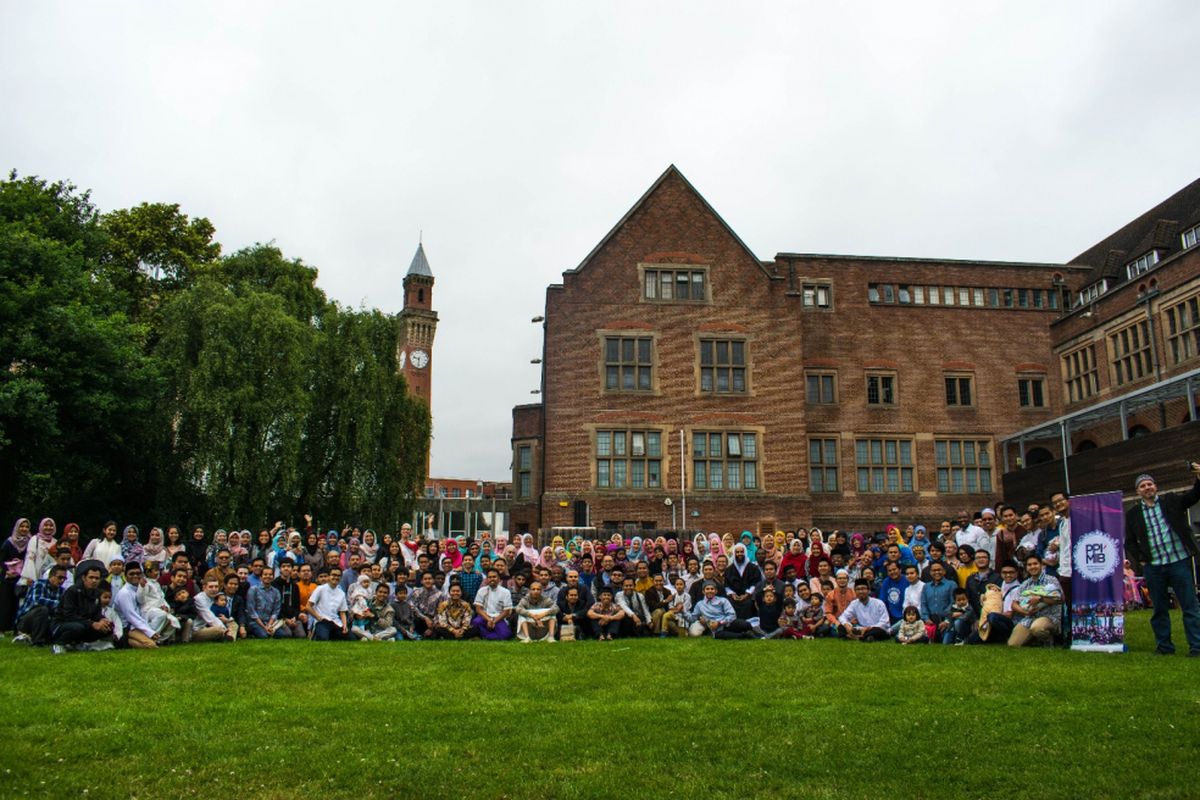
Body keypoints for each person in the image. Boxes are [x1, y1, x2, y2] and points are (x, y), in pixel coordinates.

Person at [1124, 466, 1200, 656]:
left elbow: (1194, 496)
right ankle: (1164, 647)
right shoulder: (1133, 514)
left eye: (1149, 484)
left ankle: (1196, 646)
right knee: (1159, 609)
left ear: (1155, 487)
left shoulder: (1172, 501)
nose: (1147, 487)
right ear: (1138, 491)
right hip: (1154, 566)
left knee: (1189, 606)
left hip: (1178, 560)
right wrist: (1141, 560)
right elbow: (1130, 542)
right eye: (1142, 486)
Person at [52, 565, 114, 653]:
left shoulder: (97, 593)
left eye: (97, 578)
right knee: (77, 627)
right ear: (84, 578)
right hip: (62, 624)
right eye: (91, 577)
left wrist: (102, 620)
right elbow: (69, 616)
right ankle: (59, 644)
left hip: (84, 624)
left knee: (108, 626)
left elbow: (96, 614)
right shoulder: (72, 591)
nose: (94, 581)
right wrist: (92, 623)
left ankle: (79, 643)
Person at [1008, 554, 1062, 648]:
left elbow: (1060, 600)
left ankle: (1048, 641)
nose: (1032, 567)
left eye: (1035, 564)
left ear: (1041, 565)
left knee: (1037, 628)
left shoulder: (1051, 580)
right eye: (1029, 565)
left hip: (1049, 617)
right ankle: (1035, 639)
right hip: (1030, 617)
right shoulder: (1025, 584)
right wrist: (1025, 612)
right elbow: (1014, 604)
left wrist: (1041, 599)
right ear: (1026, 567)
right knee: (1013, 644)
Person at [13, 564, 67, 646]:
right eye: (60, 577)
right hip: (25, 621)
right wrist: (58, 604)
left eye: (64, 578)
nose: (62, 580)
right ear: (51, 576)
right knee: (42, 609)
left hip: (44, 621)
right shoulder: (39, 583)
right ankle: (38, 642)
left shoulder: (62, 591)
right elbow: (37, 601)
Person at [687, 580, 754, 639]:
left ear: (716, 591)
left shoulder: (723, 600)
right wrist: (683, 611)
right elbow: (692, 618)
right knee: (720, 635)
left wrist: (719, 623)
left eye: (712, 589)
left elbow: (732, 615)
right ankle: (743, 635)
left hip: (726, 623)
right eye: (707, 589)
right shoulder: (700, 604)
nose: (710, 591)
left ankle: (750, 632)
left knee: (746, 625)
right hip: (716, 630)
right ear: (703, 592)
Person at [307, 568, 350, 641]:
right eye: (333, 575)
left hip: (336, 622)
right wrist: (318, 617)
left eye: (338, 576)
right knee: (323, 638)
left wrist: (345, 625)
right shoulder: (320, 589)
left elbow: (342, 612)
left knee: (351, 638)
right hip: (322, 621)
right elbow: (308, 606)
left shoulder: (341, 593)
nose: (336, 577)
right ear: (329, 577)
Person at [472, 568, 513, 640]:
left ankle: (485, 636)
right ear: (487, 579)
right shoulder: (482, 591)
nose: (492, 579)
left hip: (499, 618)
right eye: (489, 577)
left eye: (494, 577)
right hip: (484, 617)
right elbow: (478, 609)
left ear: (499, 579)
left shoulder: (505, 592)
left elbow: (506, 611)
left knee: (506, 635)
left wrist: (494, 621)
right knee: (475, 622)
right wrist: (489, 620)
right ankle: (493, 635)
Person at [247, 571, 285, 638]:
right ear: (261, 577)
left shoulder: (276, 592)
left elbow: (276, 611)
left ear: (273, 577)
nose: (268, 576)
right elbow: (251, 611)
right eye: (265, 574)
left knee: (283, 635)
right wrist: (264, 627)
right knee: (264, 636)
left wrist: (269, 625)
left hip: (270, 622)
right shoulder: (253, 590)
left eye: (270, 574)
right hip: (255, 622)